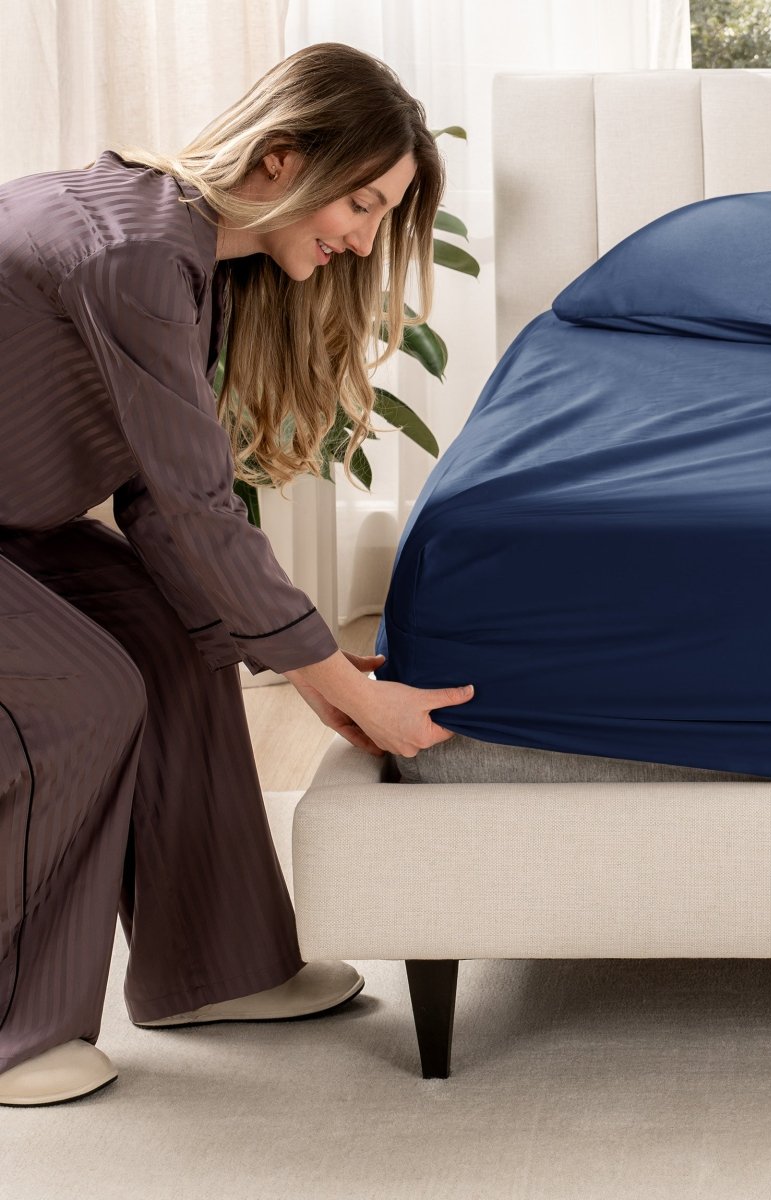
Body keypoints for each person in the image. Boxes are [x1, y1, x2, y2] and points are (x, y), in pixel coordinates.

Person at [0, 42, 474, 1106]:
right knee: (82, 696)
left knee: (180, 636)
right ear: (279, 158)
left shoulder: (185, 258)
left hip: (16, 526)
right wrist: (348, 693)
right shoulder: (130, 254)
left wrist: (305, 659)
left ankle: (215, 967)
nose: (360, 242)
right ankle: (14, 1028)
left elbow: (161, 509)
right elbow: (195, 509)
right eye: (359, 204)